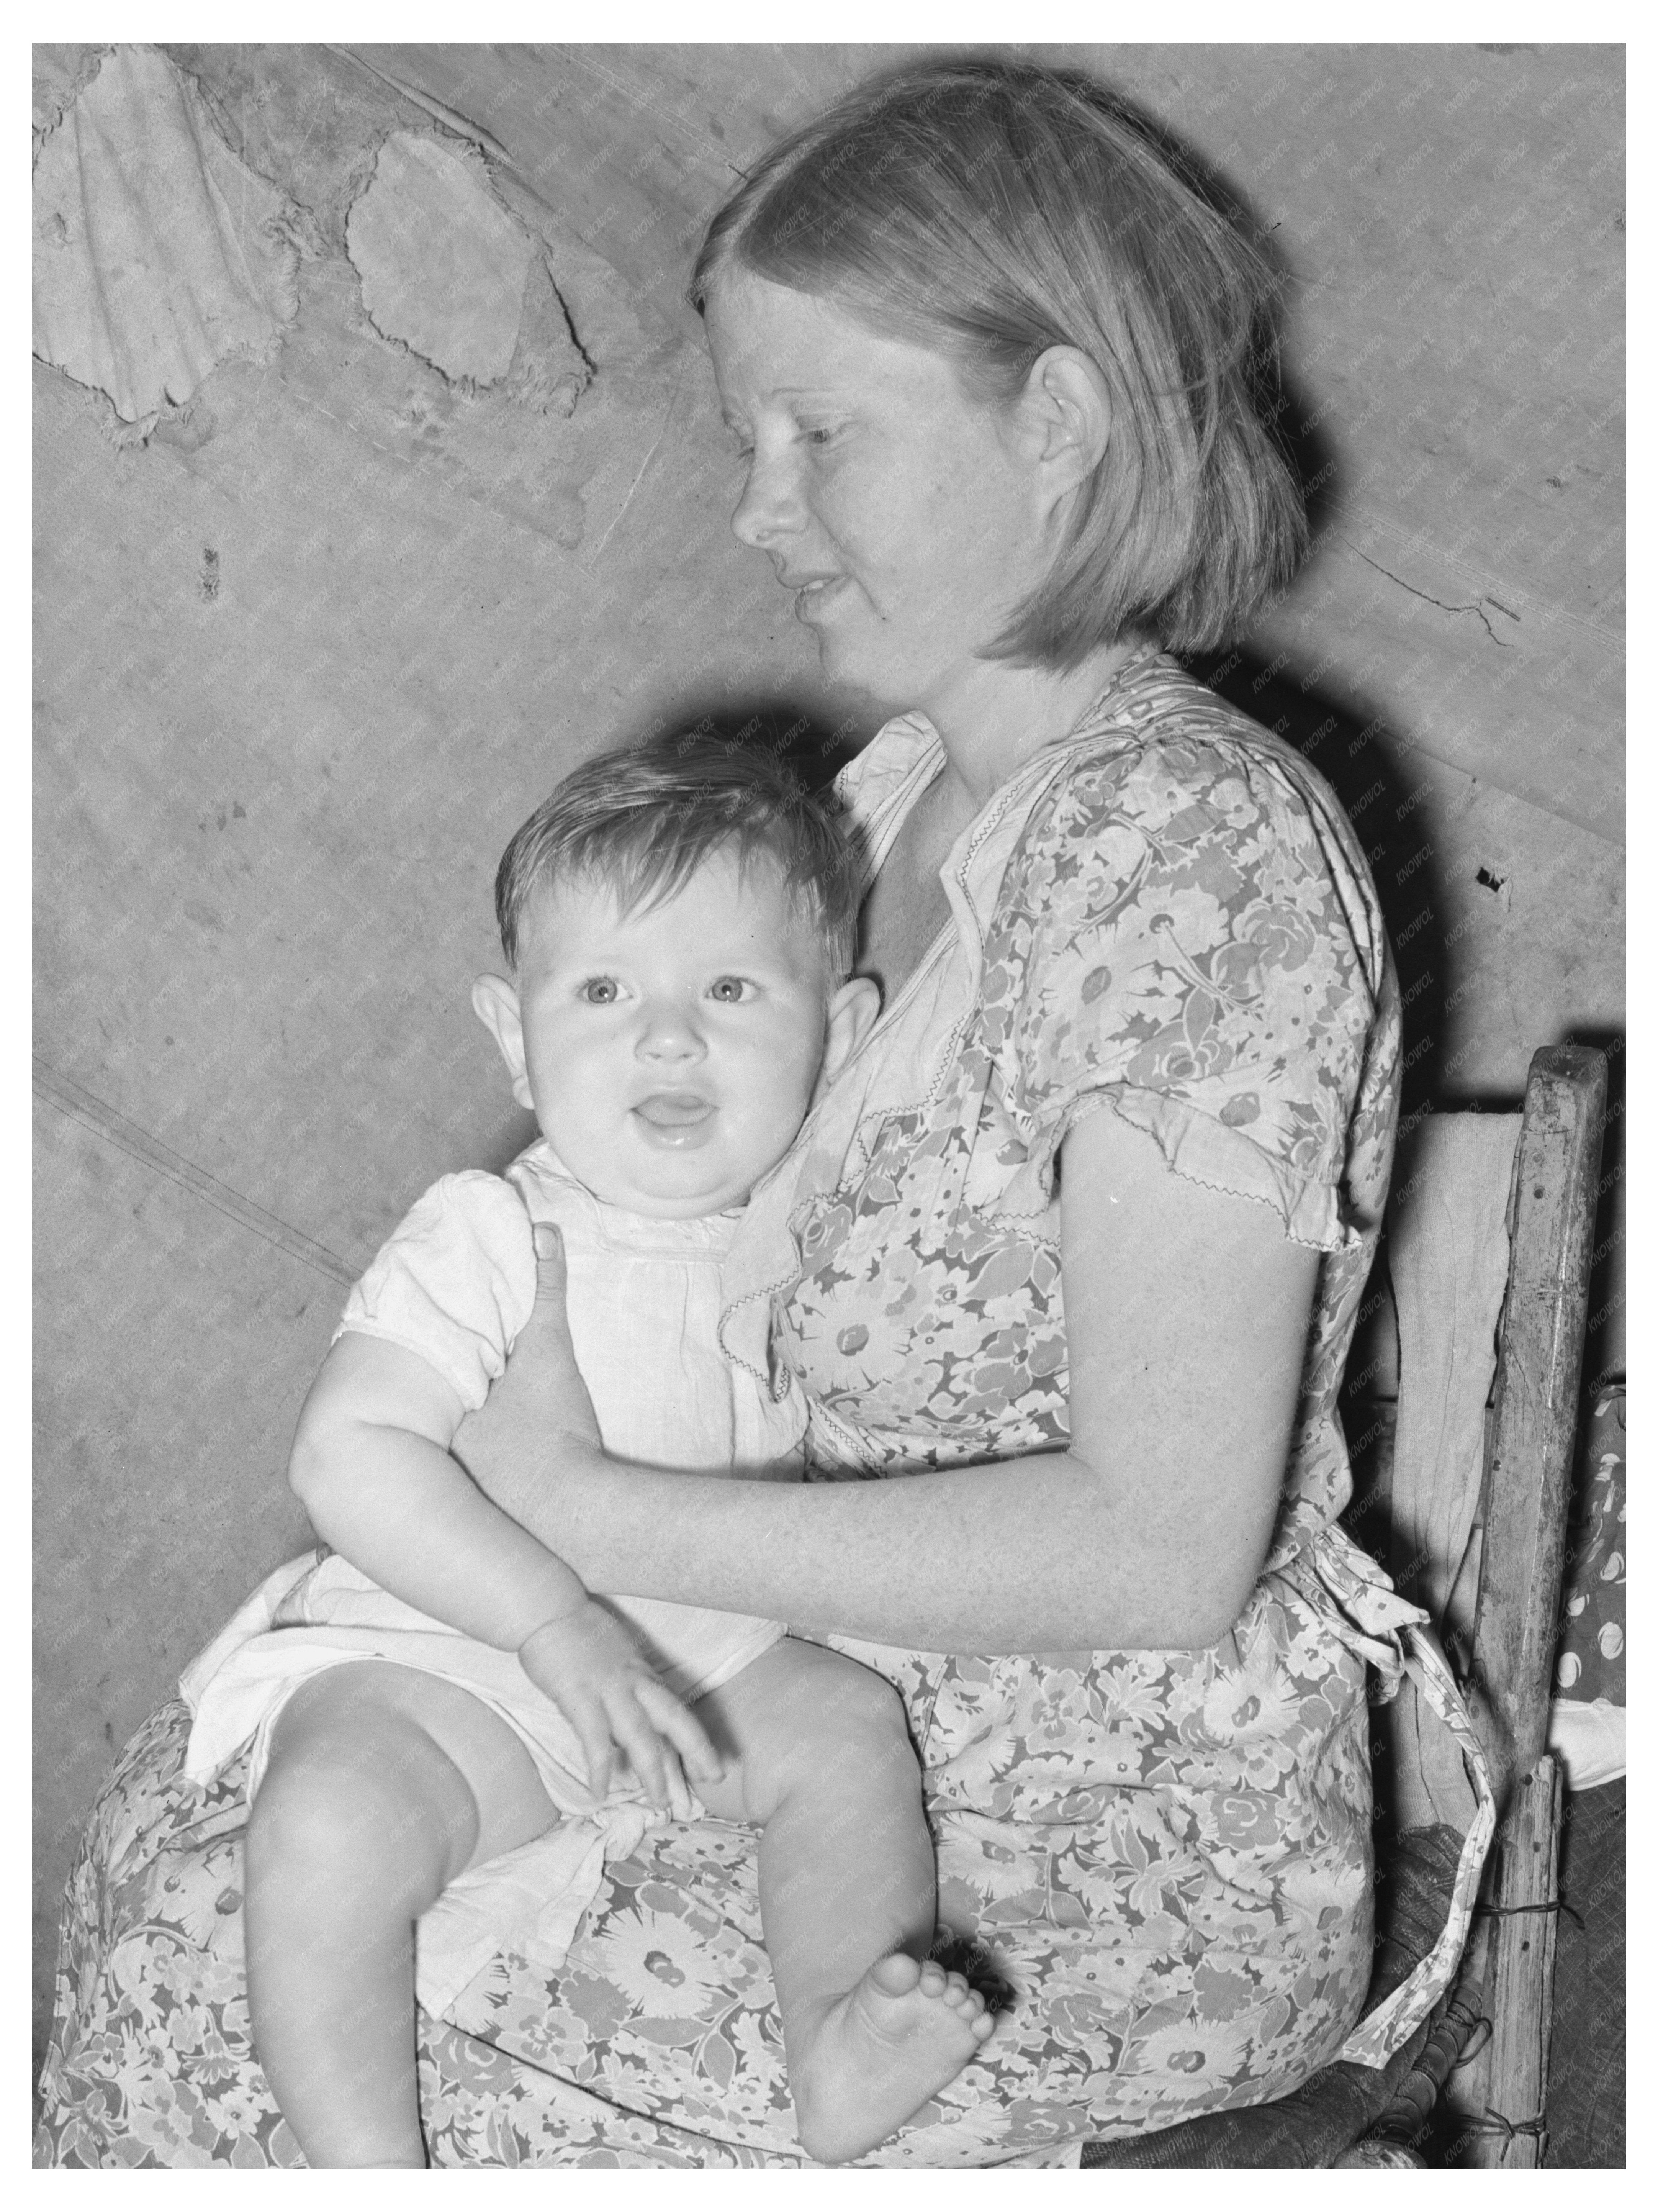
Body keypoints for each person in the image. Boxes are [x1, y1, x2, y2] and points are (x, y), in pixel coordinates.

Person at [36, 55, 1489, 2170]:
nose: (754, 507)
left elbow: (1164, 1553)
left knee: (233, 1973)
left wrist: (579, 1525)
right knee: (235, 1853)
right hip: (795, 1689)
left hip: (1075, 1843)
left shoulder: (1192, 851)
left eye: (824, 434)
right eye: (749, 437)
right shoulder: (881, 804)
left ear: (1058, 423)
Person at [178, 737, 994, 2168]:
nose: (667, 1039)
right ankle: (373, 2175)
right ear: (514, 1037)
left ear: (842, 1034)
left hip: (703, 1668)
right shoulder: (494, 1232)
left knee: (847, 1737)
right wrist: (549, 1624)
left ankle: (838, 2049)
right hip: (449, 1661)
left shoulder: (812, 1246)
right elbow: (349, 1454)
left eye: (730, 991)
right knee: (327, 1822)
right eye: (604, 992)